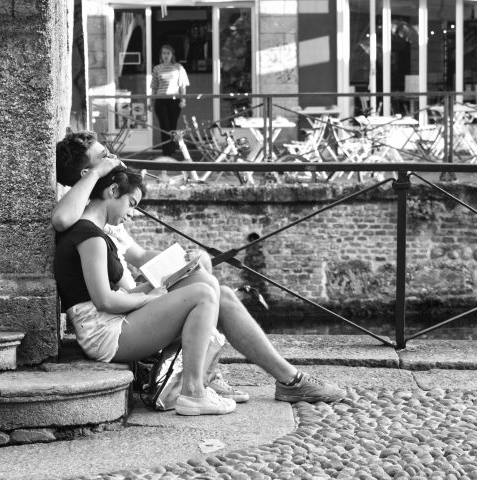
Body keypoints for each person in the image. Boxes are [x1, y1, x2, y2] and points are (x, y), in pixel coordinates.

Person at [53, 131, 347, 409]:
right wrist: (152, 296)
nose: (113, 158)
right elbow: (69, 230)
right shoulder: (83, 221)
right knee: (205, 293)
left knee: (221, 292)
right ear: (96, 178)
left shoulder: (104, 223)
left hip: (125, 310)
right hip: (116, 319)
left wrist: (187, 261)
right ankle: (198, 386)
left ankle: (285, 379)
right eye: (103, 157)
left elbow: (141, 257)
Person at [151, 44, 189, 157]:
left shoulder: (178, 67)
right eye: (164, 53)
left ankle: (172, 151)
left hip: (174, 100)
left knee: (172, 126)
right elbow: (154, 87)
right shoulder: (157, 68)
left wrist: (183, 100)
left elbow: (183, 86)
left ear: (172, 55)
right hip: (160, 101)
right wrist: (150, 102)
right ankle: (166, 152)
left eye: (168, 53)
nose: (166, 55)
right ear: (161, 55)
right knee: (164, 126)